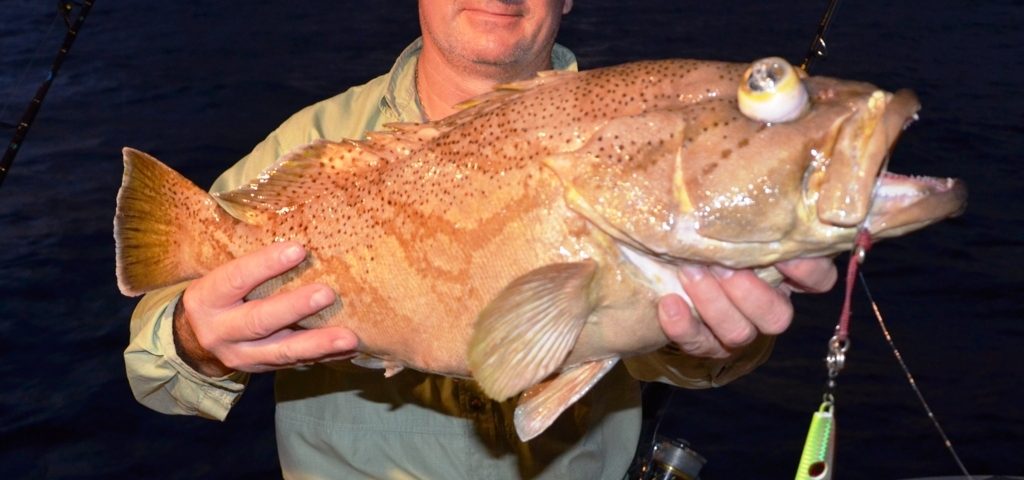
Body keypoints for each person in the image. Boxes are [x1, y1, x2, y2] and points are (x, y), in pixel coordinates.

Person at [125, 1, 837, 478]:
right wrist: (193, 338)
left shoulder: (641, 134)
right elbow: (151, 368)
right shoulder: (314, 141)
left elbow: (682, 347)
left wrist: (709, 349)